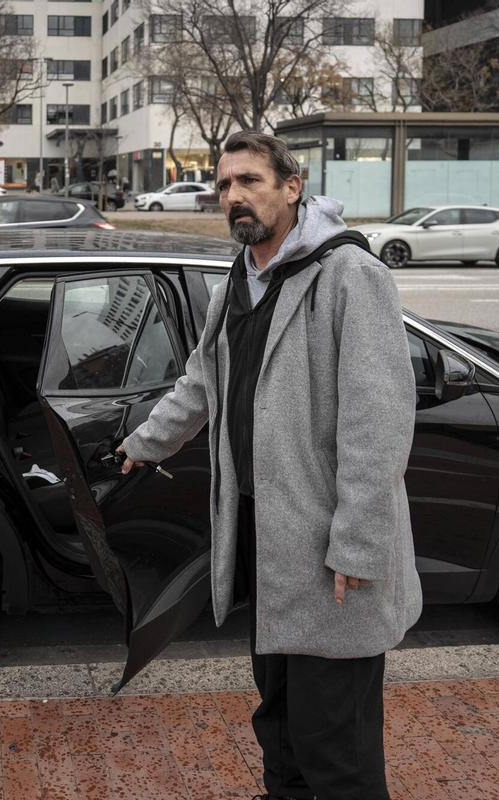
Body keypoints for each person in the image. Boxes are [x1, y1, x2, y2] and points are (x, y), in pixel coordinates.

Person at [116, 131, 420, 800]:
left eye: (250, 181)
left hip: (330, 550)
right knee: (278, 719)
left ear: (291, 187)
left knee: (335, 741)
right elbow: (204, 378)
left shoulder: (349, 275)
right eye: (224, 185)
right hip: (268, 542)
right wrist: (147, 443)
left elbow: (380, 423)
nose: (234, 197)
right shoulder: (241, 280)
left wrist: (358, 544)